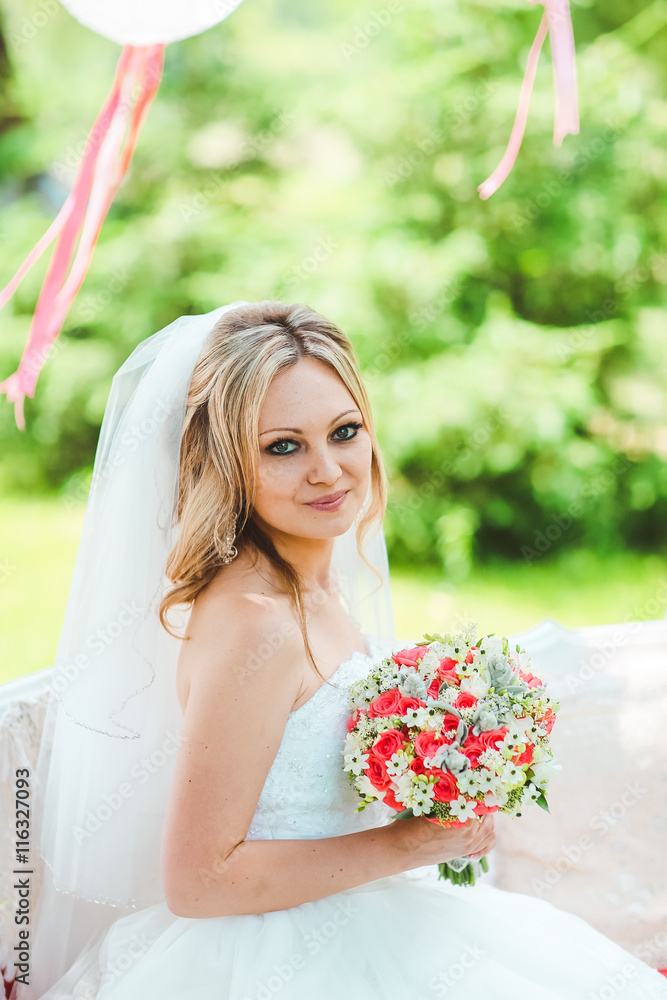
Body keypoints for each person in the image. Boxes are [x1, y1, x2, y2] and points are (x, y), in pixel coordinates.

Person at [25, 300, 667, 999]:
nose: (329, 470)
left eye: (344, 431)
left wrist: (449, 775)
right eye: (283, 446)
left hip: (366, 914)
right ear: (228, 463)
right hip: (272, 954)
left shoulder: (315, 590)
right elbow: (199, 880)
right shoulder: (256, 620)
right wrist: (407, 844)